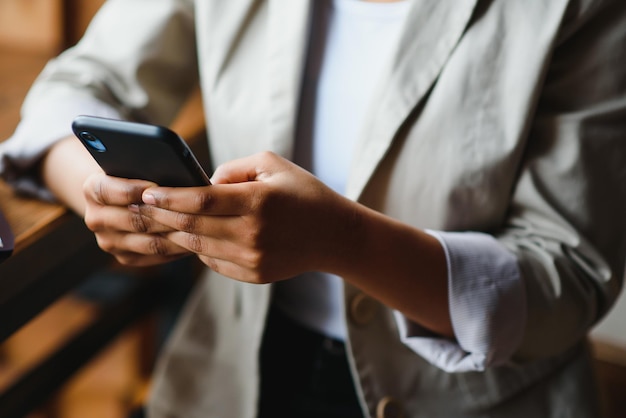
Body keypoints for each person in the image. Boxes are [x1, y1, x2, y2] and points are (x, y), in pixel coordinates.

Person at [1, 0, 625, 416]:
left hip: (474, 397)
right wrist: (100, 190)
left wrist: (342, 241)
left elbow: (565, 280)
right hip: (233, 371)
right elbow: (80, 84)